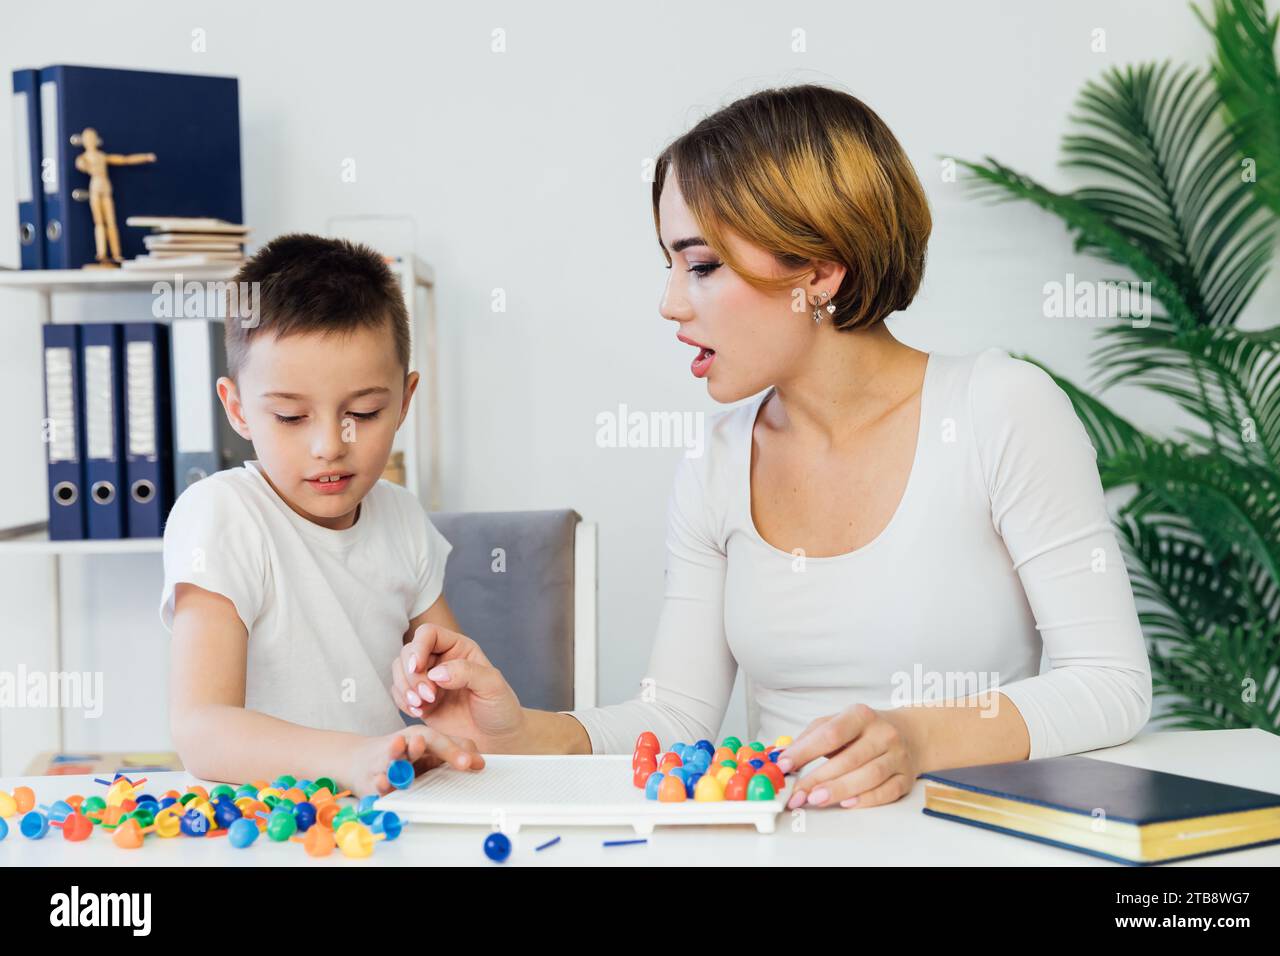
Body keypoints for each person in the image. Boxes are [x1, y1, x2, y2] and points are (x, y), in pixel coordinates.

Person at [388, 83, 1152, 811]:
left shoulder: (1001, 409)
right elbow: (679, 720)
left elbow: (1111, 682)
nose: (669, 303)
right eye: (670, 264)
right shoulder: (717, 460)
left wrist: (914, 738)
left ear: (818, 270)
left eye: (702, 265)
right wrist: (519, 733)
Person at [161, 234, 484, 794]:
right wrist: (354, 759)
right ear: (237, 408)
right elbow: (201, 730)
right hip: (260, 826)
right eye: (290, 416)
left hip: (376, 819)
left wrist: (439, 693)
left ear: (405, 401)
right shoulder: (223, 515)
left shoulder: (402, 517)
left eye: (364, 411)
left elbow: (457, 700)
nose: (330, 445)